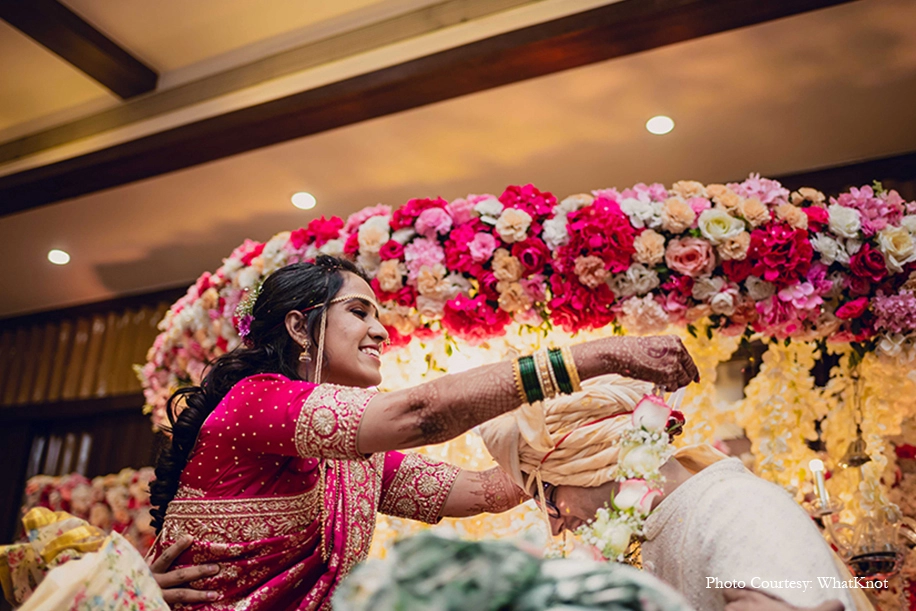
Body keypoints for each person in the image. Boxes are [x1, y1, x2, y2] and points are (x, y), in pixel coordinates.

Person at [146, 255, 699, 609]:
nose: (380, 330)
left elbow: (484, 491)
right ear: (299, 326)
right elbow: (419, 415)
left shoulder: (350, 459)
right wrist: (598, 356)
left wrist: (614, 435)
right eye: (359, 312)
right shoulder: (255, 400)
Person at [479, 374, 869, 611]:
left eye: (545, 497)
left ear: (590, 460)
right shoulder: (670, 519)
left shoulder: (735, 507)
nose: (555, 523)